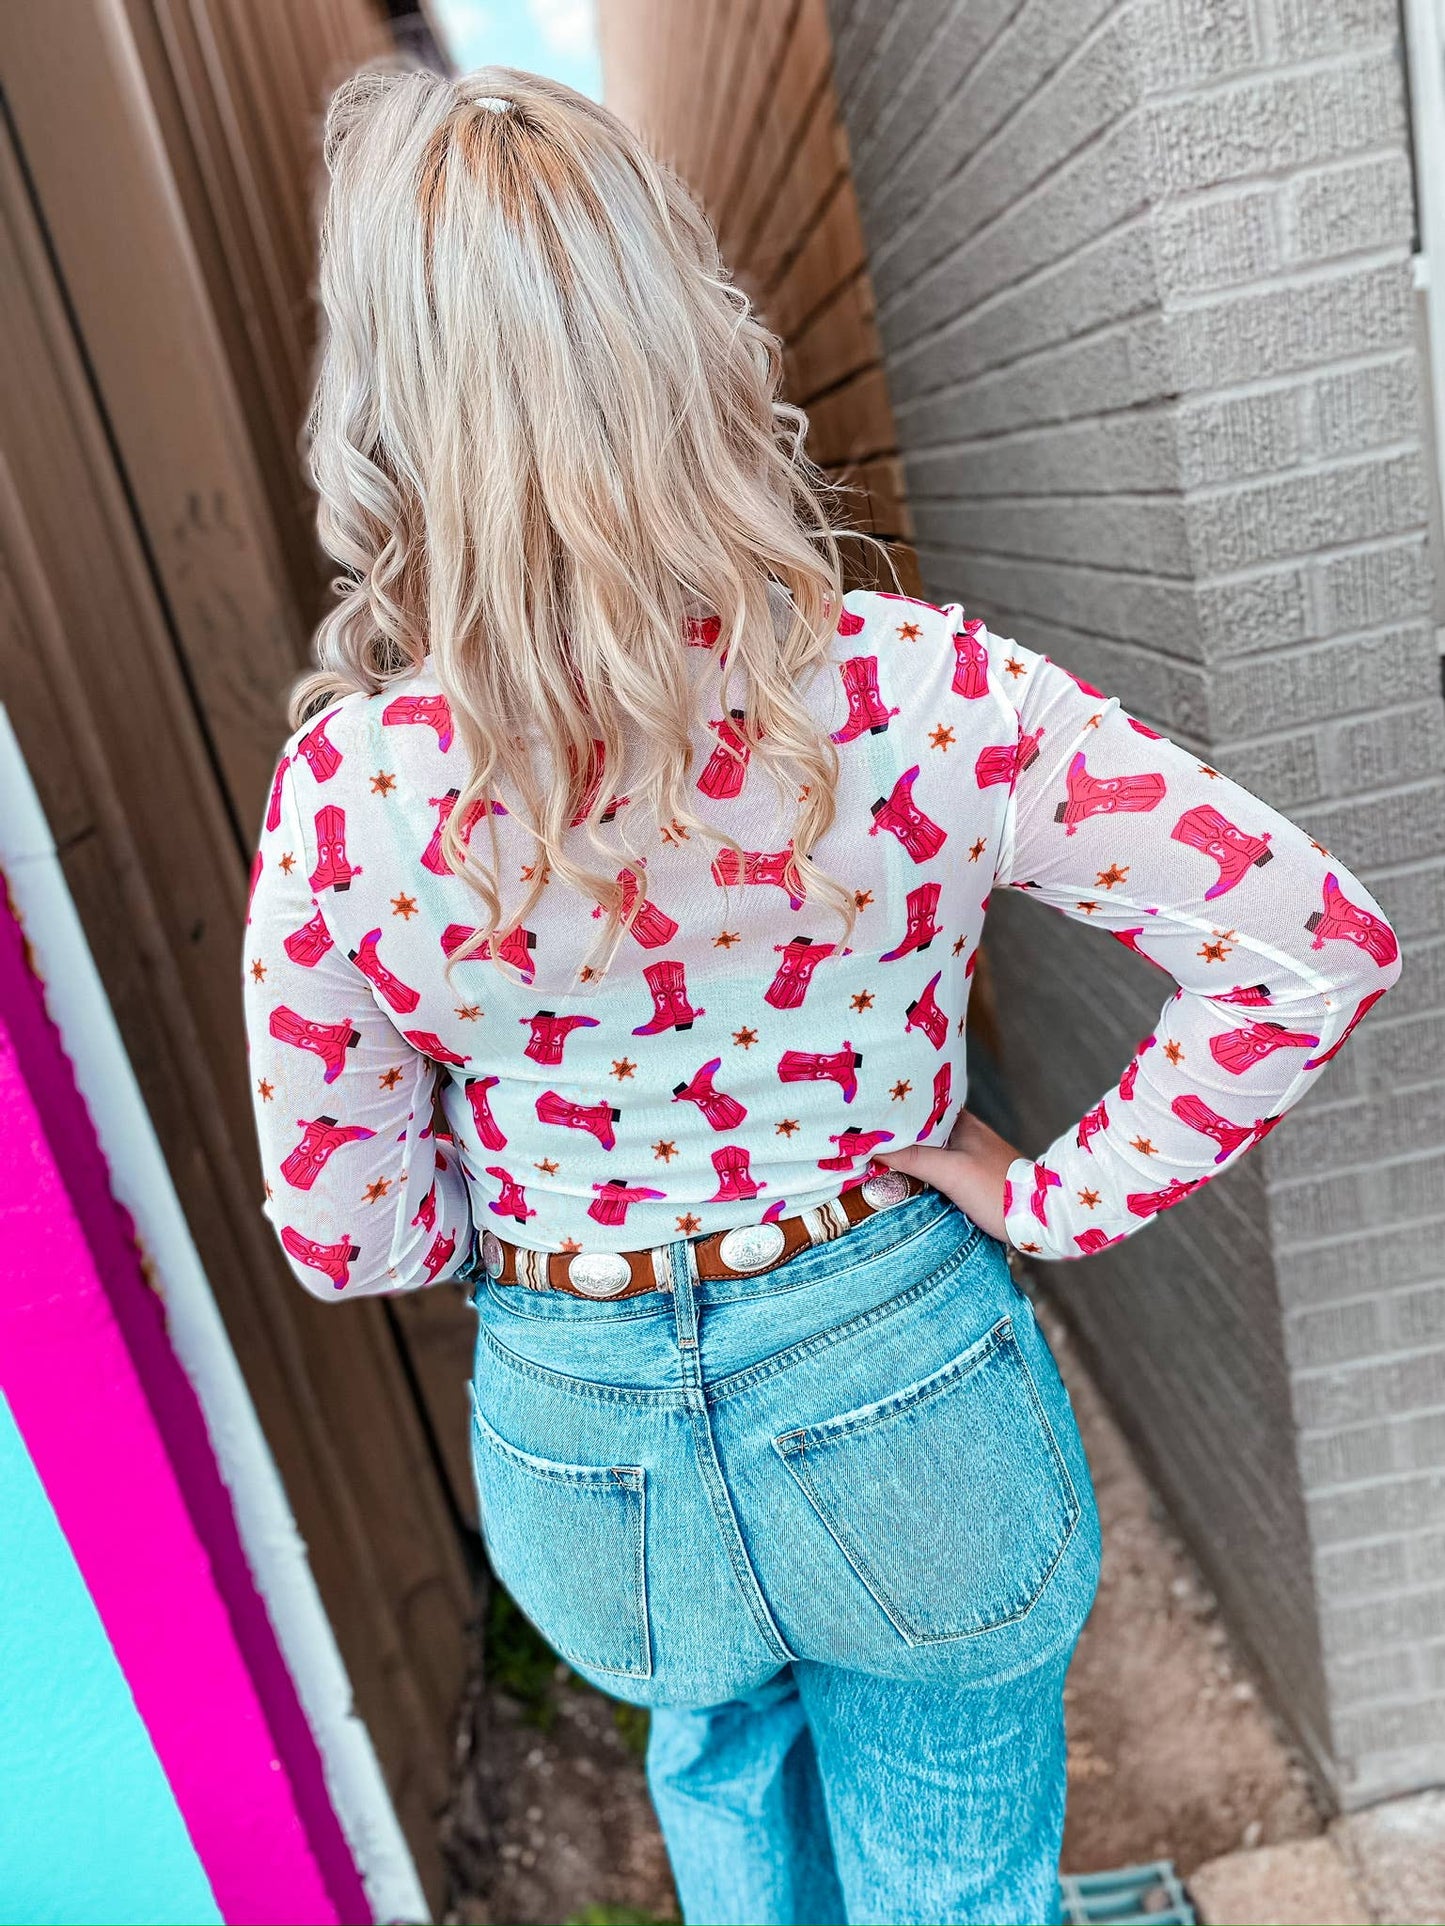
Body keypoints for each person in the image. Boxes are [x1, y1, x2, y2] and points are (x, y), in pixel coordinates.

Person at [243, 66, 1401, 1926]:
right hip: (904, 1372)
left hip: (583, 1431)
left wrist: (562, 1221)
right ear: (690, 333)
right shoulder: (922, 694)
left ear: (383, 405)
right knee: (955, 1886)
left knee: (726, 1811)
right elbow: (1307, 941)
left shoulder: (351, 799)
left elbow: (345, 1234)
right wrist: (1052, 1195)